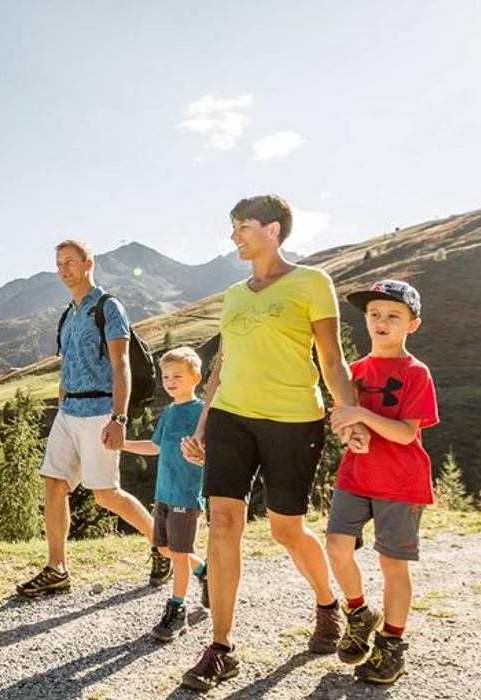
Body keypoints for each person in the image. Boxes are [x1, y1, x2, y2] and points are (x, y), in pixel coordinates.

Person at [179, 195, 369, 691]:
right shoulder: (234, 295)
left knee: (287, 529)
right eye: (233, 227)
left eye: (243, 226)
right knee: (223, 525)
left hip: (292, 421)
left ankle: (328, 603)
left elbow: (331, 358)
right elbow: (221, 364)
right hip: (230, 419)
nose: (234, 235)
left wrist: (347, 412)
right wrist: (202, 424)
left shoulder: (312, 283)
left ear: (274, 230)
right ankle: (221, 647)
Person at [15, 239, 170, 598]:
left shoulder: (108, 307)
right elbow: (67, 366)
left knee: (106, 494)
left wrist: (119, 418)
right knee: (53, 484)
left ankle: (160, 544)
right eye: (58, 263)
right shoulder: (68, 314)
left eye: (70, 261)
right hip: (68, 414)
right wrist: (61, 405)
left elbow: (121, 364)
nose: (63, 269)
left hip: (101, 412)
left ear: (89, 263)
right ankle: (57, 570)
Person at [326, 279, 439, 684]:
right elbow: (343, 421)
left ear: (413, 324)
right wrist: (350, 431)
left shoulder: (416, 372)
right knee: (337, 548)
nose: (381, 322)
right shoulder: (353, 371)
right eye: (374, 314)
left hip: (401, 482)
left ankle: (392, 645)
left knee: (393, 563)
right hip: (355, 477)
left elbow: (407, 433)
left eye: (394, 316)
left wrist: (363, 417)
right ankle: (359, 612)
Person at [121, 346, 210, 641]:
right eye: (165, 376)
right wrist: (124, 445)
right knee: (163, 549)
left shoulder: (202, 413)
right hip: (164, 494)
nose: (169, 381)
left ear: (195, 377)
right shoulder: (169, 412)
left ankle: (177, 609)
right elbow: (156, 447)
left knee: (180, 556)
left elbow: (210, 452)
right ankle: (205, 572)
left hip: (186, 495)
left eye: (177, 376)